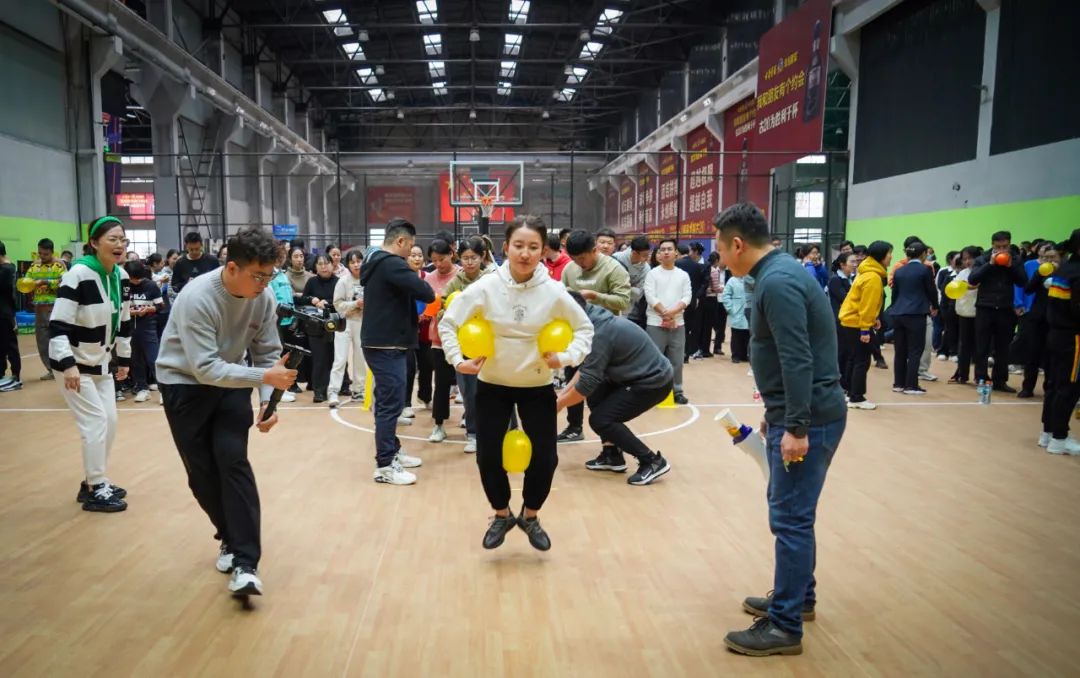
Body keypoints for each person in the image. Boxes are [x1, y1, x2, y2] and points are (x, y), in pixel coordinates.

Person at [713, 202, 847, 657]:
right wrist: (779, 414)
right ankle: (799, 599)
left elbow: (797, 357)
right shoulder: (778, 273)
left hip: (811, 419)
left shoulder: (778, 282)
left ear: (737, 244)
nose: (719, 258)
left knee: (790, 519)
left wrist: (796, 425)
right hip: (800, 412)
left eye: (720, 248)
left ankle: (785, 626)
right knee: (793, 514)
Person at [157, 226, 297, 597]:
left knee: (233, 461)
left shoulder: (263, 298)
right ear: (232, 268)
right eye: (258, 276)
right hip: (184, 384)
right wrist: (263, 376)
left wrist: (267, 399)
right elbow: (205, 369)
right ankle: (229, 537)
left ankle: (246, 563)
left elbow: (267, 354)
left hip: (233, 382)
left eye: (269, 276)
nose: (264, 284)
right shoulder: (197, 298)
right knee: (201, 474)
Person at [439, 215, 593, 551]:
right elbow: (448, 322)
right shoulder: (485, 287)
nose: (525, 253)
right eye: (519, 245)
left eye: (533, 247)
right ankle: (501, 514)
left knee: (546, 458)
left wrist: (566, 357)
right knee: (487, 457)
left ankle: (530, 516)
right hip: (492, 385)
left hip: (537, 386)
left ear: (543, 250)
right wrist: (457, 360)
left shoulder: (554, 291)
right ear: (506, 247)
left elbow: (585, 329)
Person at [49, 216, 133, 512]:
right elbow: (57, 325)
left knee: (110, 421)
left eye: (123, 239)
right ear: (94, 243)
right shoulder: (78, 274)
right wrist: (68, 365)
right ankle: (96, 486)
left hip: (101, 363)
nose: (120, 245)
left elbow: (124, 321)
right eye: (113, 239)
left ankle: (91, 482)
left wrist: (124, 359)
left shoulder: (121, 276)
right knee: (95, 422)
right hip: (73, 364)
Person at [556, 292, 672, 485]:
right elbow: (587, 369)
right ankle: (612, 454)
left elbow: (586, 384)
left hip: (652, 382)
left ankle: (651, 461)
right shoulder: (590, 319)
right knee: (597, 394)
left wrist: (559, 404)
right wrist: (562, 394)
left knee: (601, 419)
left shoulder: (599, 332)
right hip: (631, 376)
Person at [361, 219, 435, 486]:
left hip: (382, 342)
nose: (412, 252)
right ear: (400, 242)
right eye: (411, 246)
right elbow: (426, 292)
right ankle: (384, 465)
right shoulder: (391, 264)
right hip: (387, 344)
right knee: (390, 405)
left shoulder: (375, 262)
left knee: (387, 403)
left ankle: (392, 451)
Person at [558, 230, 631, 442]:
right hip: (576, 337)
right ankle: (574, 427)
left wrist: (595, 296)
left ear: (594, 250)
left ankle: (609, 443)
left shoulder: (613, 269)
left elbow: (623, 301)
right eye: (574, 259)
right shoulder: (570, 269)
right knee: (572, 380)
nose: (579, 264)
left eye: (582, 258)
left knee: (600, 392)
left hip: (605, 339)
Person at [438, 236, 493, 452]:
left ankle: (506, 430)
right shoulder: (456, 282)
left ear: (482, 256)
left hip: (489, 344)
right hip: (464, 345)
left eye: (474, 257)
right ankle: (473, 433)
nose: (469, 262)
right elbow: (443, 308)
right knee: (469, 392)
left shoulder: (491, 279)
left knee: (497, 391)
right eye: (465, 258)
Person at [969, 231, 1027, 393]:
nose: (1001, 250)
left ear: (1009, 244)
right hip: (985, 307)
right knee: (982, 345)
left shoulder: (1015, 259)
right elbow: (973, 279)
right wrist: (990, 264)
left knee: (1003, 347)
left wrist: (1011, 267)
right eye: (998, 247)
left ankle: (1000, 380)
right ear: (992, 245)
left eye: (1005, 246)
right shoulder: (983, 258)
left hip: (1005, 308)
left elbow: (1023, 281)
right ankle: (981, 378)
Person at [1039, 229, 1080, 455]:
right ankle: (1059, 437)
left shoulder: (1064, 269)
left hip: (1055, 335)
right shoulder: (1076, 273)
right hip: (1073, 338)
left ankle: (1048, 432)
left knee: (1054, 384)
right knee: (1068, 387)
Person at [837, 242, 891, 410]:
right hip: (856, 323)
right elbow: (866, 305)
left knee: (854, 358)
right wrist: (865, 329)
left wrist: (873, 319)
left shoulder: (866, 272)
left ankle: (849, 392)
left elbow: (862, 302)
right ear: (881, 256)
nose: (891, 257)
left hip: (850, 320)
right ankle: (857, 397)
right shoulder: (873, 277)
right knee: (862, 360)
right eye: (889, 253)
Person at [423, 240, 462, 445]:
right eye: (434, 260)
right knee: (441, 383)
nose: (438, 264)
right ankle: (438, 425)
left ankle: (470, 421)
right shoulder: (429, 278)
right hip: (439, 338)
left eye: (442, 259)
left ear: (451, 254)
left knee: (468, 385)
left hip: (465, 338)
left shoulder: (461, 275)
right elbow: (427, 306)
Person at [644, 239, 692, 404]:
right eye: (662, 249)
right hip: (655, 322)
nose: (666, 252)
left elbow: (687, 296)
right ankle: (653, 391)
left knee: (677, 360)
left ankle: (677, 390)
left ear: (676, 252)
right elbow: (650, 296)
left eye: (669, 249)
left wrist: (672, 313)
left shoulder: (683, 275)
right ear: (658, 254)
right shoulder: (652, 274)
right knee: (655, 360)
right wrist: (664, 313)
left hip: (678, 323)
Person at [890, 241, 939, 395]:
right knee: (915, 350)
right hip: (916, 313)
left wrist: (895, 308)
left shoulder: (899, 270)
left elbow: (895, 293)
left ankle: (899, 383)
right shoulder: (925, 270)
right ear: (923, 254)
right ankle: (911, 385)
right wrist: (935, 306)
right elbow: (931, 290)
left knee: (900, 350)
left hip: (898, 313)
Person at [1017, 242, 1059, 399]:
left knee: (1051, 356)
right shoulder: (1040, 271)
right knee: (1032, 354)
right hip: (1037, 318)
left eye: (1053, 257)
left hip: (1056, 321)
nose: (1049, 261)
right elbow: (1028, 289)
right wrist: (1039, 274)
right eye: (1046, 258)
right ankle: (1027, 388)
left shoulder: (1066, 273)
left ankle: (1049, 388)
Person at [299, 254, 340, 403]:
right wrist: (312, 300)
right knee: (319, 359)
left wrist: (327, 302)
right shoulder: (312, 282)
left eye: (326, 263)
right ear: (315, 267)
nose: (323, 267)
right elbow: (303, 299)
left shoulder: (338, 282)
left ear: (332, 265)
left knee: (335, 357)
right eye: (320, 264)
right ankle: (319, 391)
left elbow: (342, 301)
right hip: (315, 326)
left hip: (335, 325)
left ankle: (337, 388)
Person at [26, 238, 68, 380]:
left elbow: (65, 282)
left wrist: (45, 282)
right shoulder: (34, 265)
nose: (42, 256)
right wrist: (27, 284)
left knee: (59, 339)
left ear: (52, 252)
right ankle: (51, 369)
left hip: (56, 308)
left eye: (45, 254)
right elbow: (27, 280)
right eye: (40, 253)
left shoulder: (59, 265)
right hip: (39, 309)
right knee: (42, 341)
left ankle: (65, 367)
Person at [328, 249, 365, 408]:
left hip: (362, 322)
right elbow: (337, 304)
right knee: (340, 358)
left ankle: (359, 390)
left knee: (360, 357)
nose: (356, 265)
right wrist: (355, 304)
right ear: (348, 264)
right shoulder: (343, 281)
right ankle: (333, 391)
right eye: (352, 262)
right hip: (344, 323)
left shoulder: (368, 280)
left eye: (358, 261)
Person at [123, 261, 165, 402]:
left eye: (138, 278)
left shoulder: (151, 285)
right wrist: (129, 312)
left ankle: (163, 391)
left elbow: (160, 306)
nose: (135, 281)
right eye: (132, 278)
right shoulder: (124, 285)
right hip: (129, 326)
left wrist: (148, 309)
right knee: (136, 359)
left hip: (148, 326)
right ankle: (142, 388)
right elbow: (119, 306)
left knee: (153, 359)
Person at [948, 246, 982, 385]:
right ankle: (962, 374)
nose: (967, 261)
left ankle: (980, 375)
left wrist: (970, 286)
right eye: (965, 259)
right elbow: (954, 289)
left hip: (980, 313)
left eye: (971, 258)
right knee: (964, 345)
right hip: (964, 313)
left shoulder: (982, 272)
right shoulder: (962, 273)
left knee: (980, 346)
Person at [676, 242, 709, 360]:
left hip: (679, 300)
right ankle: (686, 353)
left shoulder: (676, 264)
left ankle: (681, 352)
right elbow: (702, 283)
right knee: (689, 327)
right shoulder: (697, 266)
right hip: (692, 301)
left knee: (679, 326)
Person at [828, 253, 855, 390]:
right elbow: (845, 299)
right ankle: (840, 383)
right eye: (852, 262)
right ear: (842, 264)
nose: (855, 264)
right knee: (842, 352)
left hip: (848, 320)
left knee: (848, 352)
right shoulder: (836, 280)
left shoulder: (851, 279)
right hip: (839, 320)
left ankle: (846, 381)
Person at [612, 235, 652, 329]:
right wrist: (631, 286)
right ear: (634, 253)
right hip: (609, 304)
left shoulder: (646, 269)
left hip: (626, 309)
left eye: (648, 254)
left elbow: (638, 295)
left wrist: (620, 286)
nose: (647, 258)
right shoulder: (616, 259)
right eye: (644, 255)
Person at [169, 232, 220, 301]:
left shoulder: (212, 260)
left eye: (197, 249)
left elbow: (219, 282)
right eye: (191, 249)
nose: (194, 252)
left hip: (208, 299)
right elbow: (175, 285)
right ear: (186, 246)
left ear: (201, 246)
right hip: (188, 299)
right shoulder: (180, 263)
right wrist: (187, 284)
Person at [0, 240, 20, 391]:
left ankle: (15, 376)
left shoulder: (7, 269)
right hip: (4, 312)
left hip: (5, 313)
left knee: (10, 345)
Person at [699, 251, 727, 358]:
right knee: (709, 326)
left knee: (705, 325)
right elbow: (715, 288)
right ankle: (706, 350)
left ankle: (704, 348)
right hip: (712, 300)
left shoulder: (705, 268)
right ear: (717, 260)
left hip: (706, 300)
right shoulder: (714, 270)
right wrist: (724, 288)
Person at [936, 251, 961, 361]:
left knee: (960, 331)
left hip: (963, 308)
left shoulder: (969, 275)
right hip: (950, 308)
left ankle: (955, 352)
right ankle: (945, 351)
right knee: (949, 330)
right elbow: (943, 293)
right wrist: (943, 309)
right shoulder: (948, 276)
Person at [721, 274, 750, 363]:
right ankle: (735, 355)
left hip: (748, 311)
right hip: (736, 312)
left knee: (747, 335)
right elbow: (725, 296)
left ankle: (745, 355)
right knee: (736, 336)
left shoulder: (751, 280)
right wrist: (730, 309)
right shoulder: (732, 281)